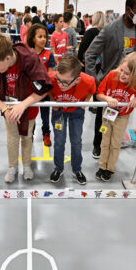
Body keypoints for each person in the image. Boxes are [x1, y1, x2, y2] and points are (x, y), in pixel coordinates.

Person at [85, 0, 136, 160]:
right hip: (109, 83)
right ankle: (98, 144)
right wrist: (94, 81)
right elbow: (90, 54)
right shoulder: (110, 29)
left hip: (129, 86)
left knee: (122, 117)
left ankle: (114, 144)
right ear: (129, 9)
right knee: (102, 117)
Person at [0, 33, 52, 183]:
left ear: (7, 58)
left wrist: (23, 104)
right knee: (12, 139)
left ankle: (26, 165)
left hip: (29, 107)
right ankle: (12, 167)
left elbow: (44, 88)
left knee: (27, 138)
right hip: (9, 109)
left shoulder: (30, 58)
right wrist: (4, 108)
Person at [95, 52, 136, 181]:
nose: (122, 75)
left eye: (127, 74)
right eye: (121, 70)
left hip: (122, 117)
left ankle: (110, 168)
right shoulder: (112, 75)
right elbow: (99, 94)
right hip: (108, 114)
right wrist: (107, 98)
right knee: (105, 141)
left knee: (115, 143)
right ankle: (102, 166)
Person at [47, 56, 96, 185]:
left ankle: (77, 169)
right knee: (59, 141)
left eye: (65, 82)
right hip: (59, 112)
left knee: (76, 141)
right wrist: (52, 99)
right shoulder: (52, 77)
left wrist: (85, 101)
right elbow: (49, 89)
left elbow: (92, 91)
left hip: (76, 112)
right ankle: (58, 168)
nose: (60, 85)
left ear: (77, 80)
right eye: (59, 80)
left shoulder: (88, 81)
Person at [26, 23, 56, 147]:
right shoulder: (27, 53)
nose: (43, 39)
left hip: (44, 93)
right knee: (30, 116)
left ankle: (46, 134)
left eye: (45, 36)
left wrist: (47, 92)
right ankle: (30, 135)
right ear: (33, 38)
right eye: (40, 36)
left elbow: (50, 76)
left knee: (45, 116)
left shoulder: (49, 55)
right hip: (30, 93)